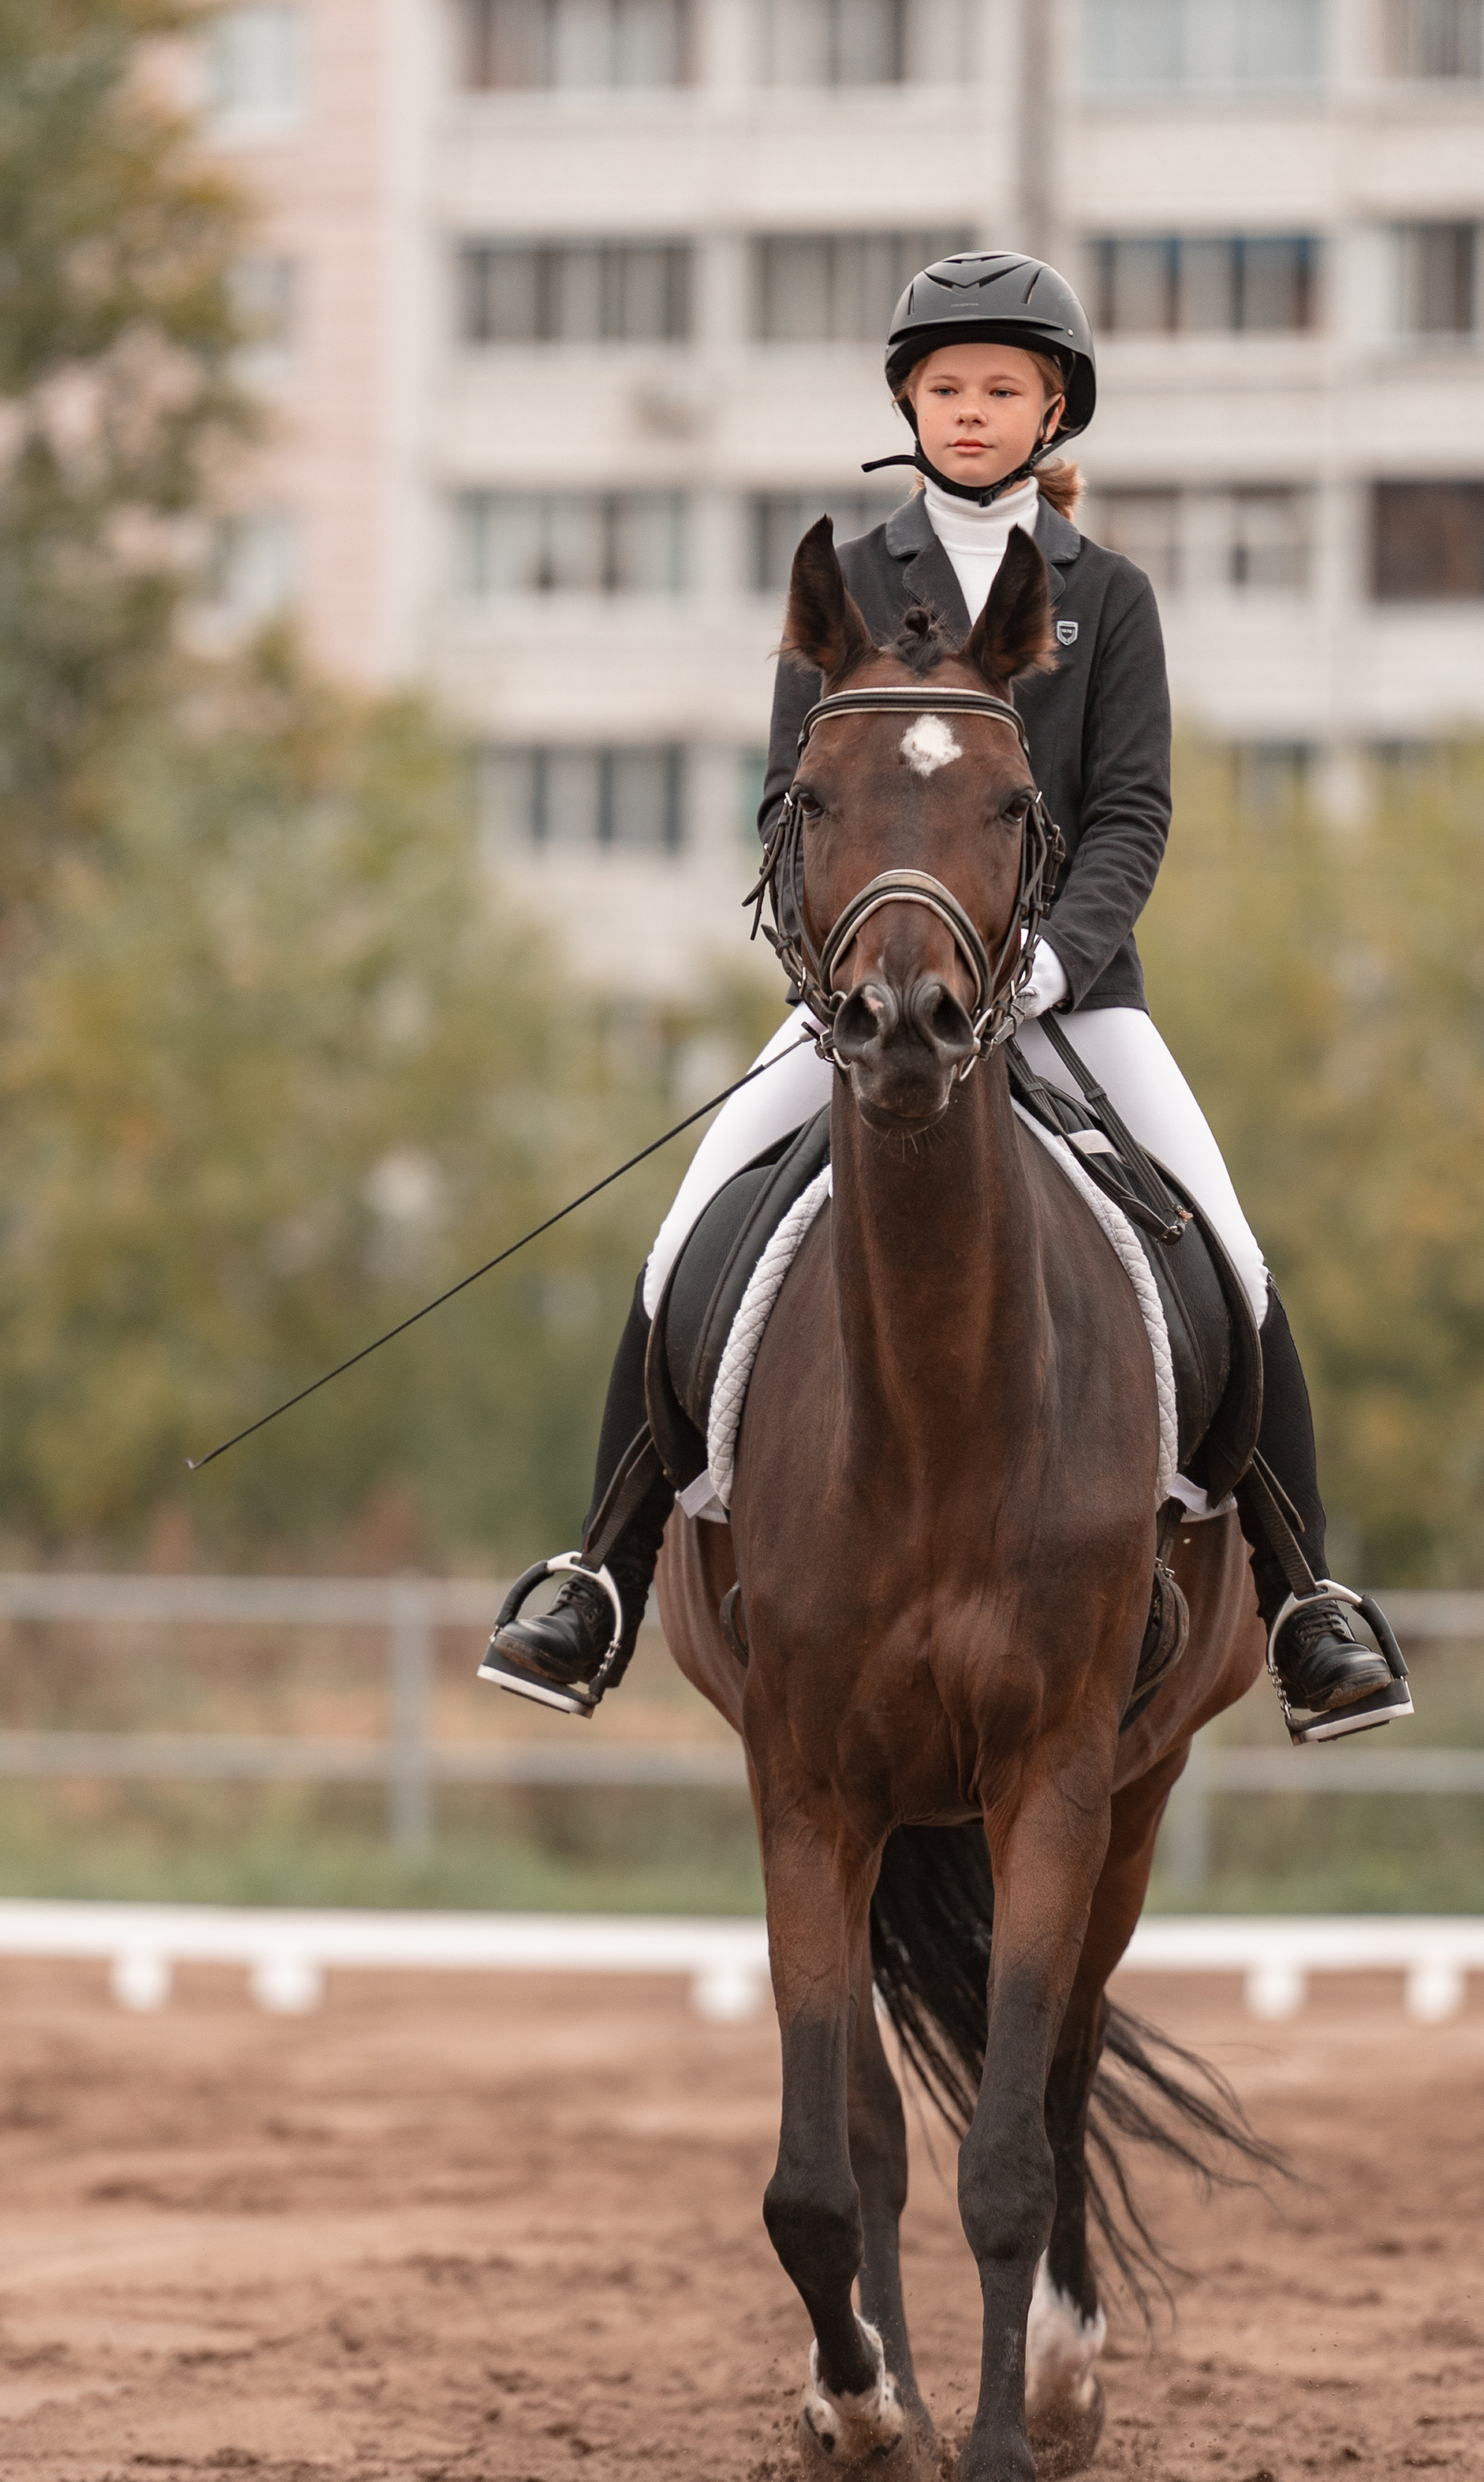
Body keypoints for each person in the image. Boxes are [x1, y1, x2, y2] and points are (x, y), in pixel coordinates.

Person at [483, 249, 1393, 1738]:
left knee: (1226, 1243)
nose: (971, 411)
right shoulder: (846, 583)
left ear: (1051, 412)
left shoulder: (1110, 598)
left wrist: (1041, 966)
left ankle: (1304, 1598)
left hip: (1070, 995)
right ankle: (600, 1574)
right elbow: (792, 807)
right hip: (867, 1002)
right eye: (947, 387)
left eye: (1003, 389)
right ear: (909, 400)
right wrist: (836, 976)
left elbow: (1131, 816)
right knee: (684, 1235)